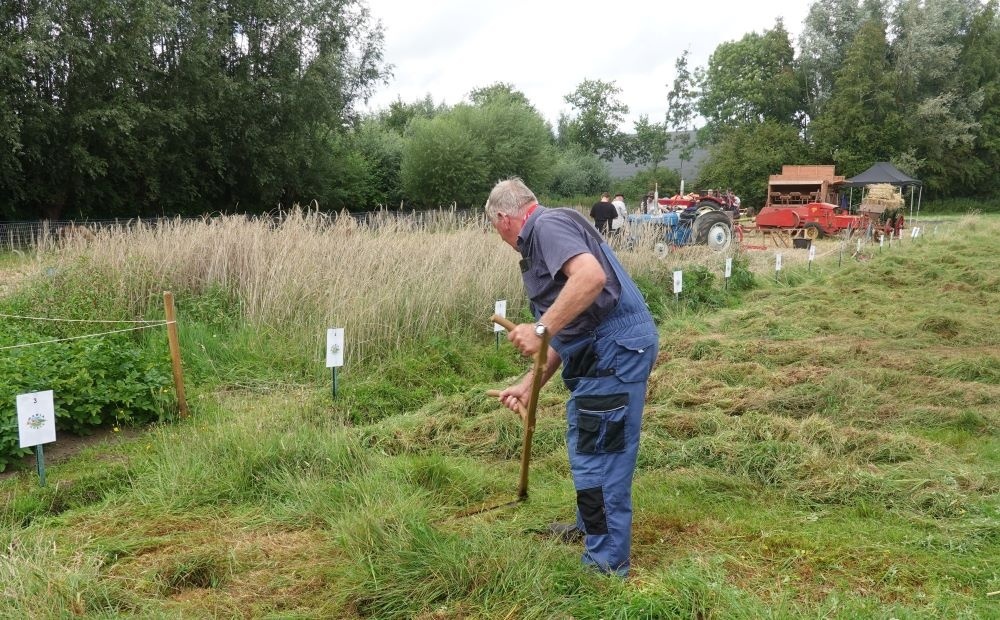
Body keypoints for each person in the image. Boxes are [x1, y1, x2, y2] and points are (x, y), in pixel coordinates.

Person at [485, 177, 659, 577]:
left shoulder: (545, 226)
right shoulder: (552, 228)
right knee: (589, 443)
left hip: (613, 352)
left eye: (495, 229)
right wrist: (529, 386)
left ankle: (606, 561)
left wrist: (540, 328)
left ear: (502, 217)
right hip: (601, 350)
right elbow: (572, 328)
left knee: (601, 456)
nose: (500, 237)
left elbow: (590, 278)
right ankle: (591, 529)